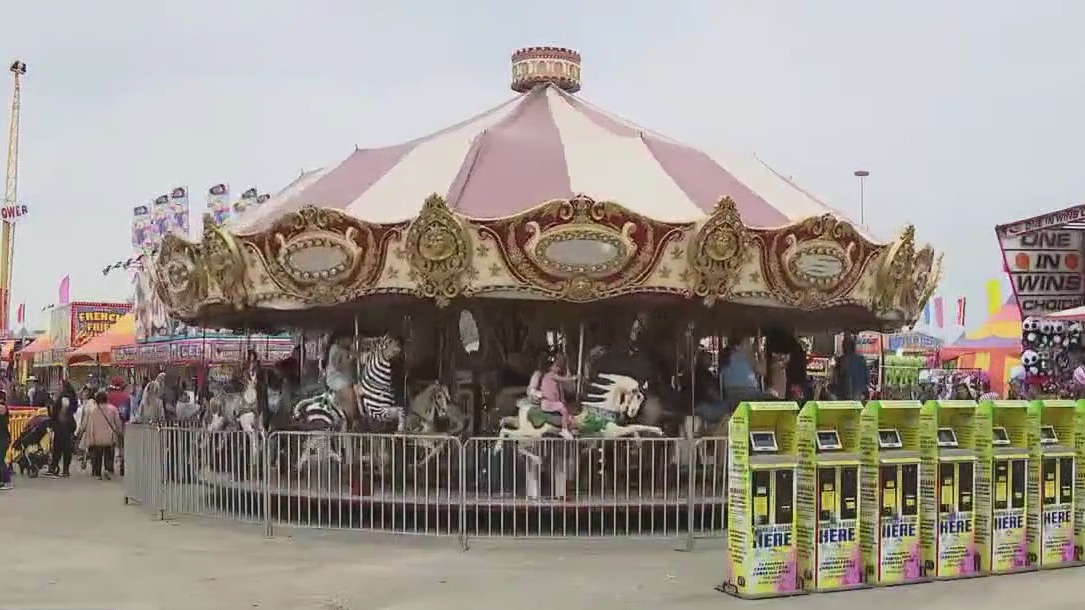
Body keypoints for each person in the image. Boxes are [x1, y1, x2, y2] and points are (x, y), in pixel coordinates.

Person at [78, 390, 122, 480]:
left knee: (97, 455)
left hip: (95, 438)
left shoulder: (92, 410)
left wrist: (80, 432)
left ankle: (97, 471)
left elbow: (84, 423)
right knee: (109, 454)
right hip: (109, 437)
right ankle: (108, 469)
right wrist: (119, 432)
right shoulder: (113, 409)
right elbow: (118, 423)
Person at [539, 353, 578, 433]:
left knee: (566, 410)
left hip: (552, 402)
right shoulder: (550, 375)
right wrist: (573, 378)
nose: (558, 369)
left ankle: (568, 426)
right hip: (547, 403)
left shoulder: (553, 378)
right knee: (563, 408)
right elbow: (563, 379)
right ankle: (564, 429)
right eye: (557, 367)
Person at [46, 382, 78, 477]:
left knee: (58, 448)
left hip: (61, 425)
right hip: (68, 425)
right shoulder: (72, 398)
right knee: (66, 449)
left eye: (59, 385)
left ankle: (54, 467)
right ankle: (65, 469)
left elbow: (59, 412)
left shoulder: (63, 398)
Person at [325, 334, 358, 423]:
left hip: (346, 378)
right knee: (349, 393)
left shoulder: (345, 350)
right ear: (341, 339)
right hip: (337, 378)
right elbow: (338, 366)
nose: (351, 341)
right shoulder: (336, 349)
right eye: (349, 339)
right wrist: (352, 359)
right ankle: (350, 419)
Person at [833, 334, 871, 401]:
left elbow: (836, 379)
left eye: (843, 346)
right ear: (854, 347)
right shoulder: (862, 359)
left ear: (844, 347)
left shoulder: (841, 360)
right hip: (860, 396)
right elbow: (868, 379)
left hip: (845, 396)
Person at [0, 390, 11, 491]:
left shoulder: (2, 408)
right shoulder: (4, 409)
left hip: (3, 438)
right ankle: (5, 479)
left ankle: (5, 481)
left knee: (0, 460)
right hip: (5, 437)